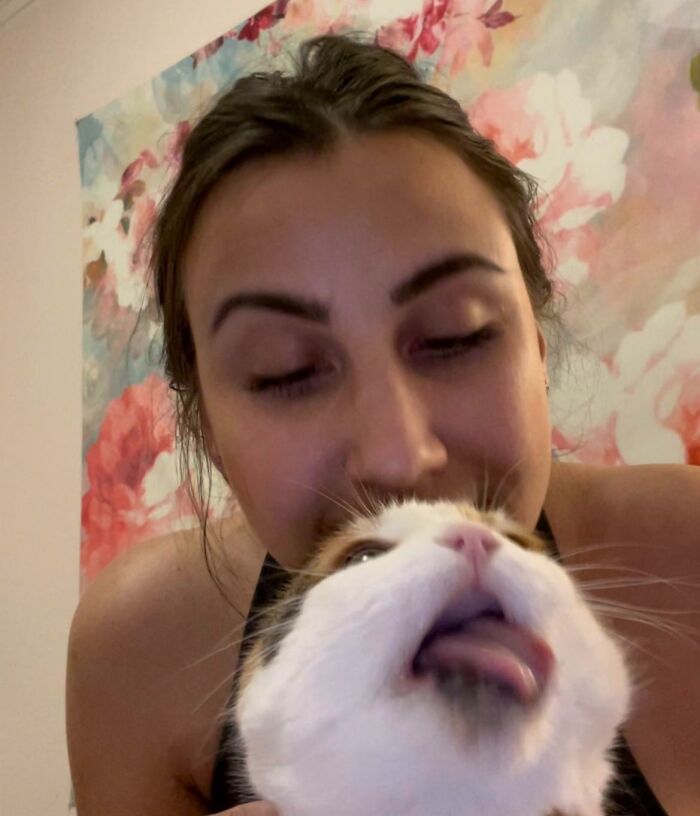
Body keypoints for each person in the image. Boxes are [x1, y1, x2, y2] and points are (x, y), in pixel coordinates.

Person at [66, 34, 700, 816]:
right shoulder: (140, 653)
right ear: (207, 433)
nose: (401, 458)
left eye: (457, 335)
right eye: (284, 372)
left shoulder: (687, 553)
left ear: (536, 344)